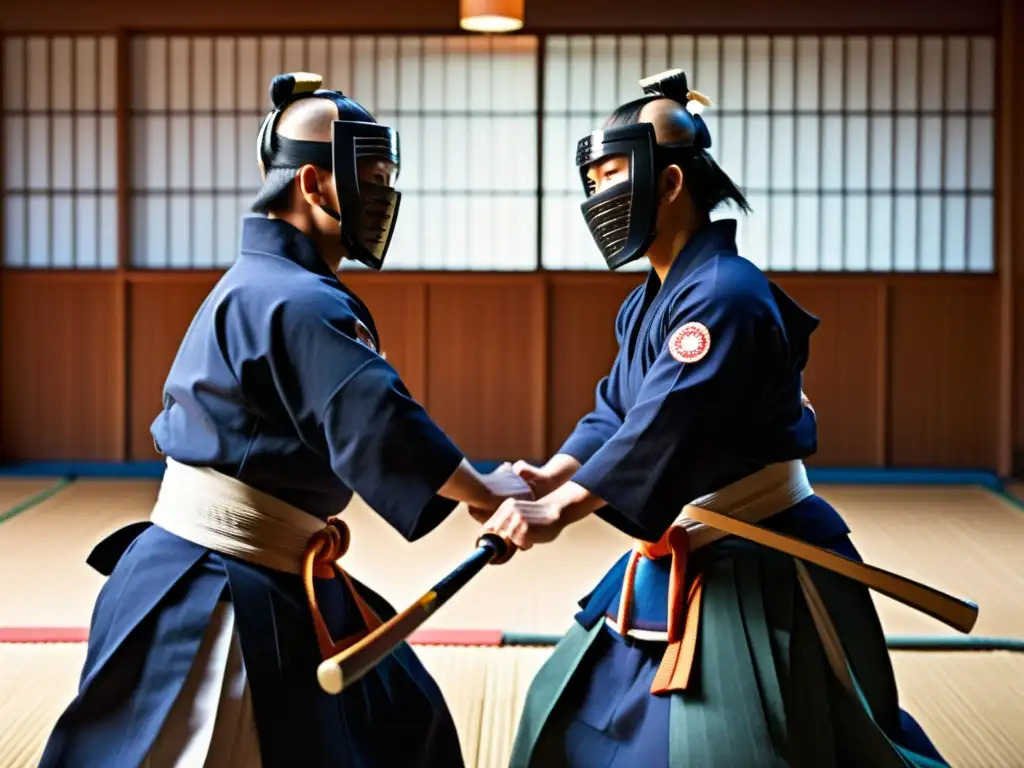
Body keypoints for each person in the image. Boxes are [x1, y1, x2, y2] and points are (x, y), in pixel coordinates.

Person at [38, 72, 531, 768]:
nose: (385, 193)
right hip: (221, 582)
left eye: (387, 175)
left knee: (395, 719)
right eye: (371, 174)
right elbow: (376, 419)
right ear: (313, 184)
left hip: (247, 563)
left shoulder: (270, 284)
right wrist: (487, 492)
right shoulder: (297, 299)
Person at [484, 70, 948, 767]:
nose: (597, 198)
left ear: (670, 183)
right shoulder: (649, 300)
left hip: (760, 556)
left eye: (612, 176)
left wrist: (563, 511)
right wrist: (549, 476)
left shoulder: (726, 295)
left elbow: (671, 422)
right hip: (685, 546)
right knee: (570, 710)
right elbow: (620, 407)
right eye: (593, 181)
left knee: (740, 746)